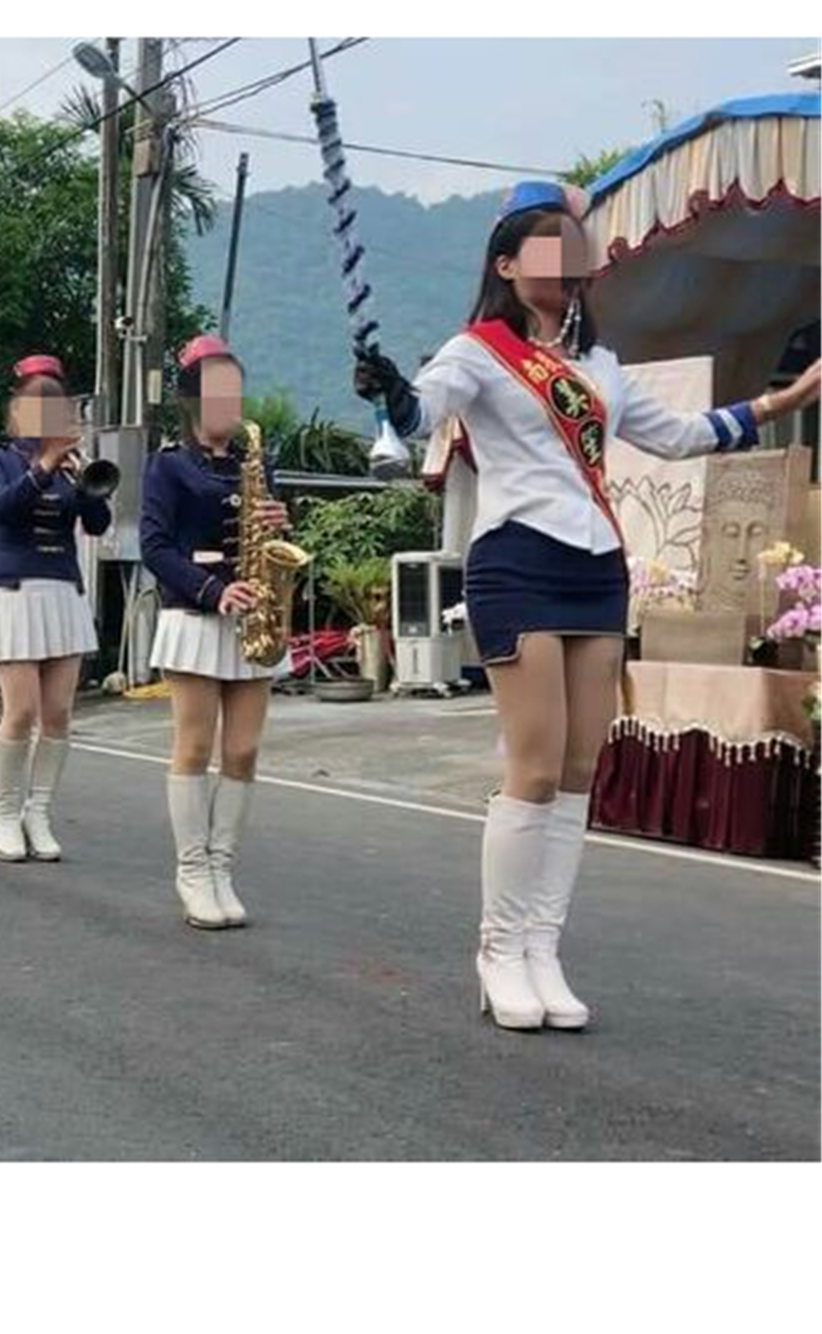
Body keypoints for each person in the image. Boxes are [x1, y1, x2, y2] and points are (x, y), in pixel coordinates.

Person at [355, 179, 822, 1032]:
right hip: (517, 563)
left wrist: (777, 405)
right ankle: (499, 951)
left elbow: (676, 436)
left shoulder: (600, 367)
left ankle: (543, 949)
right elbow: (423, 413)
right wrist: (391, 392)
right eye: (548, 244)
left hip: (597, 568)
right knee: (533, 768)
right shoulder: (477, 351)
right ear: (506, 264)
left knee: (579, 772)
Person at [140, 336, 294, 930]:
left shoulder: (256, 461)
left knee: (244, 750)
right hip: (195, 616)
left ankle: (223, 868)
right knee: (195, 746)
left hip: (254, 616)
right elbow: (155, 546)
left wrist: (280, 521)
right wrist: (212, 590)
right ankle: (193, 869)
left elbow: (266, 536)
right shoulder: (168, 464)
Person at [0, 354, 112, 861]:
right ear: (17, 410)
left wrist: (85, 483)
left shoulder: (71, 464)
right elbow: (0, 509)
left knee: (58, 713)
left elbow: (97, 525)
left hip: (63, 591)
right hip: (15, 592)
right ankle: (6, 811)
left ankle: (39, 811)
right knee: (21, 711)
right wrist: (45, 464)